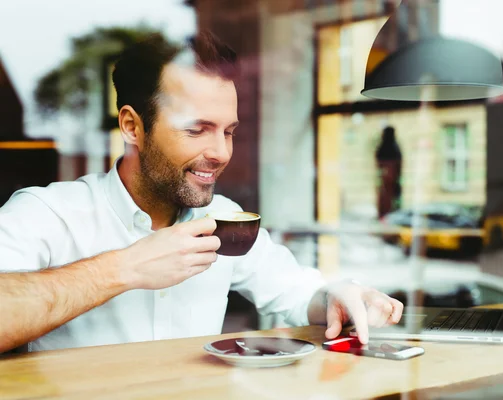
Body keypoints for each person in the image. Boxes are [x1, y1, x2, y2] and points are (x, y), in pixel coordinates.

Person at [0, 31, 403, 353]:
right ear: (132, 126)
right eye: (196, 130)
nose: (220, 153)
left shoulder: (223, 218)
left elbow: (295, 292)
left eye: (228, 132)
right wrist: (125, 268)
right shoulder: (45, 213)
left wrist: (338, 296)